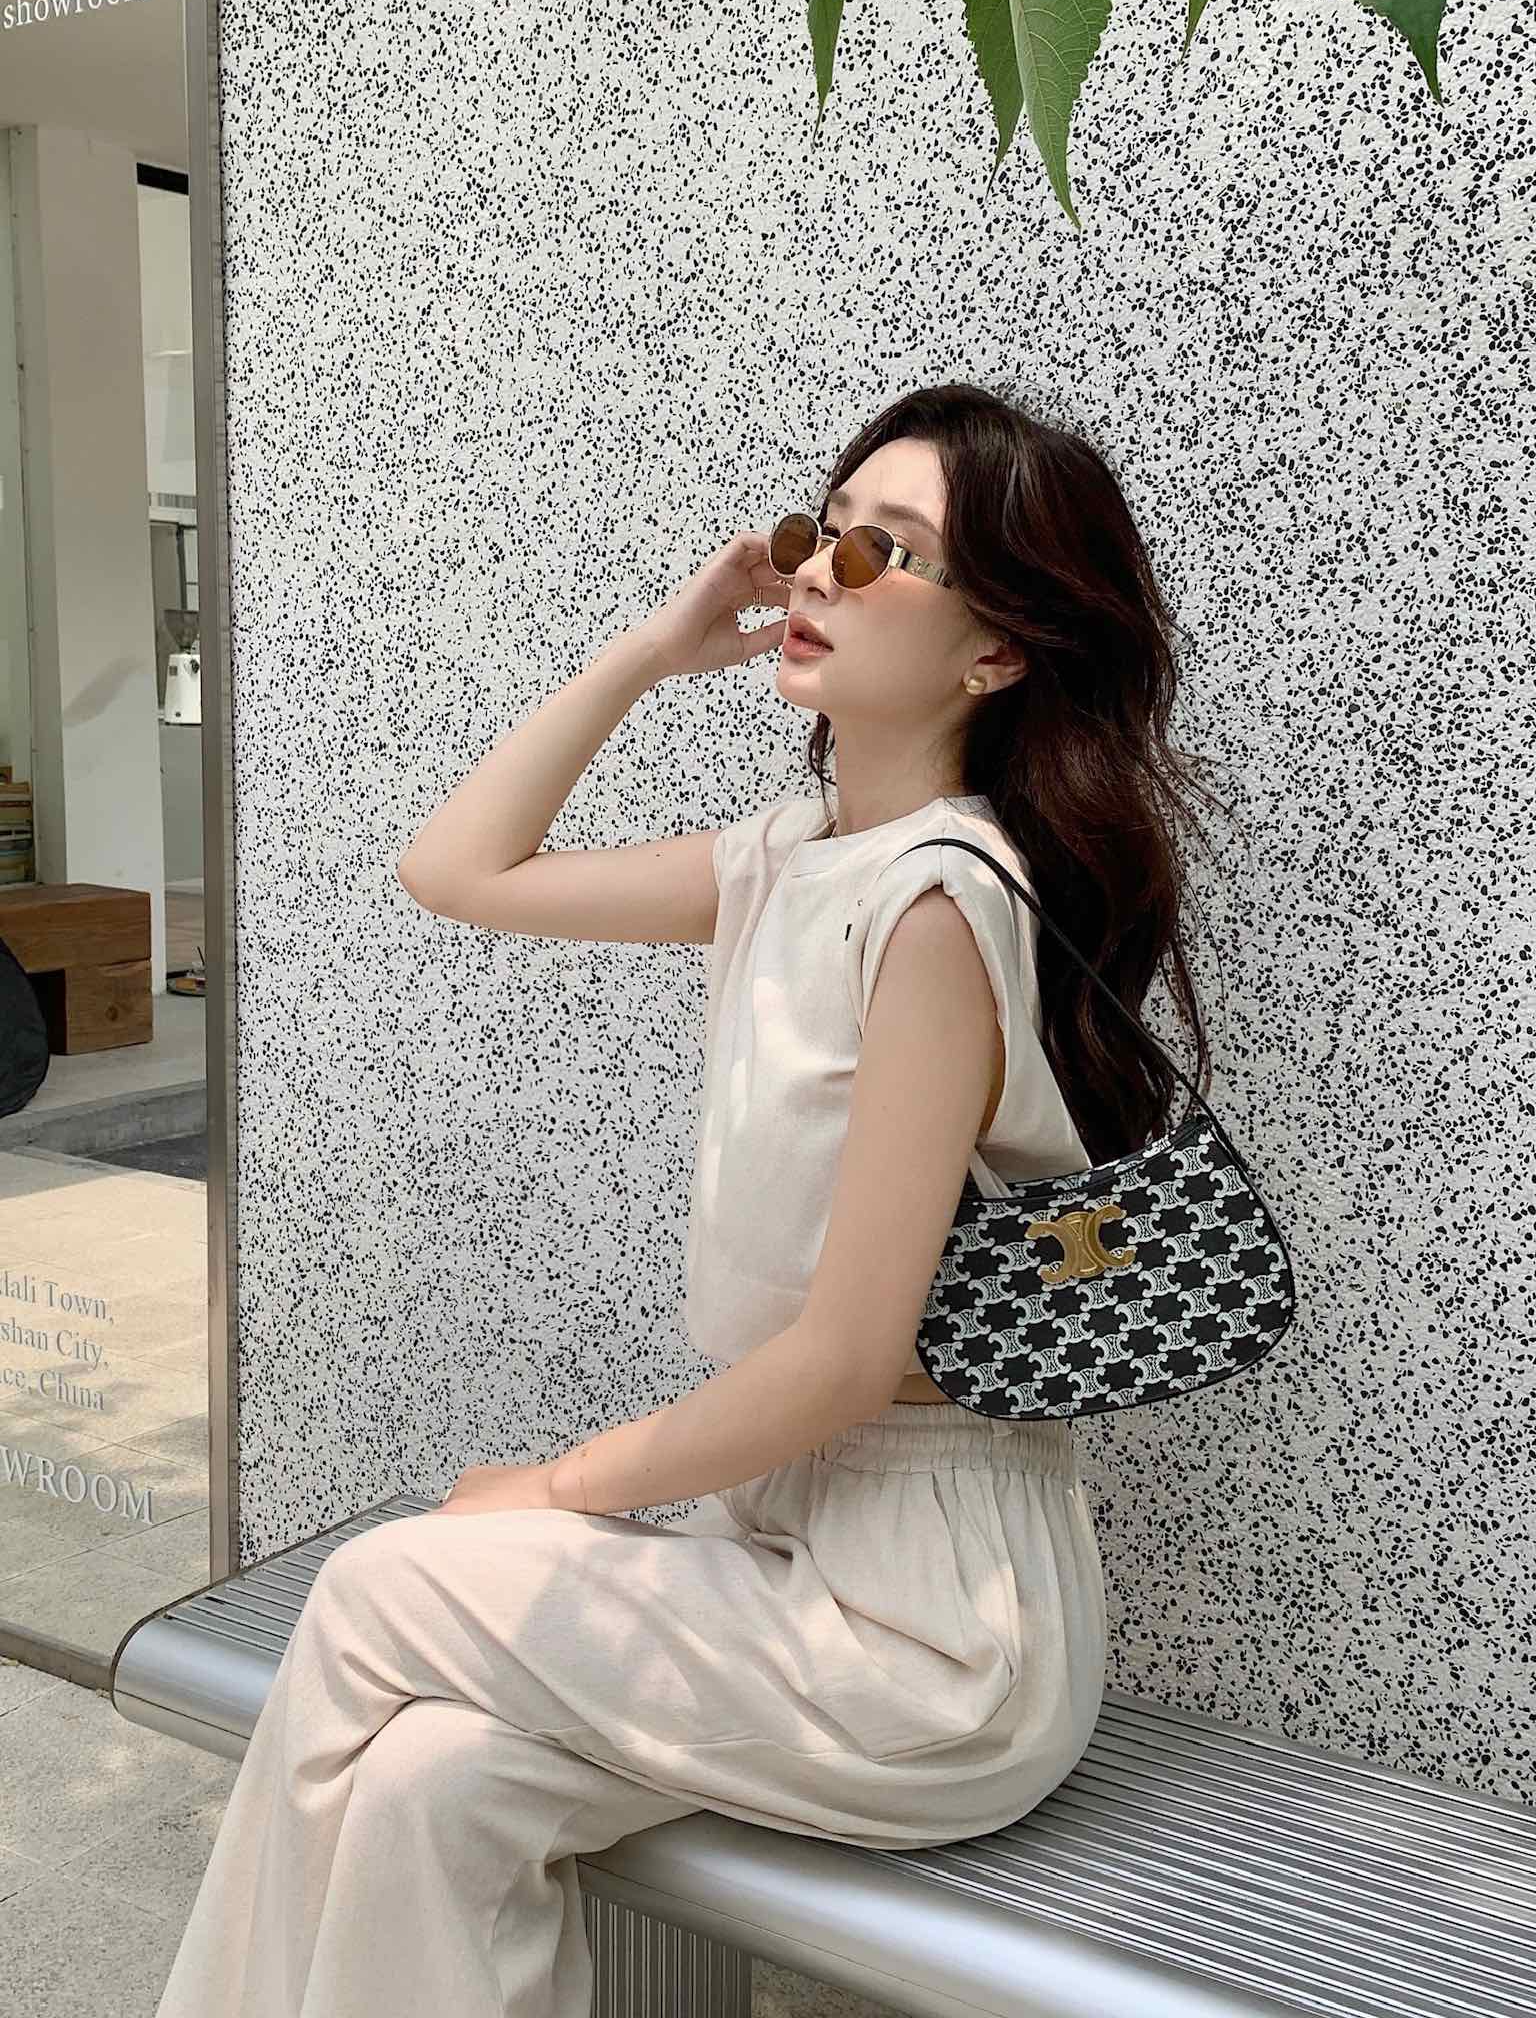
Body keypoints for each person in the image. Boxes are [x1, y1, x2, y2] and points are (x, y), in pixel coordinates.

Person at [155, 380, 1226, 2016]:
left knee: (379, 1585)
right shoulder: (788, 860)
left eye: (887, 553)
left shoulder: (940, 906)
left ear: (998, 653)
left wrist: (557, 1489)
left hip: (925, 1641)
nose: (818, 572)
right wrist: (652, 654)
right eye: (822, 531)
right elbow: (458, 871)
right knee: (427, 1787)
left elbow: (843, 1365)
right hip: (771, 1570)